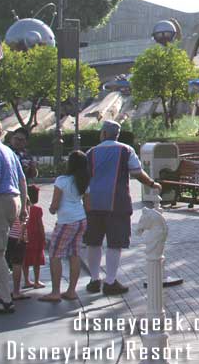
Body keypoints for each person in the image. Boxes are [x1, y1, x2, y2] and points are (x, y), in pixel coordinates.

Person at [85, 120, 160, 296]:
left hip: (93, 203)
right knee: (115, 242)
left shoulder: (91, 152)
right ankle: (110, 281)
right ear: (117, 134)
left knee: (93, 242)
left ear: (103, 133)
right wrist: (152, 183)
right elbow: (136, 172)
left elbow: (84, 176)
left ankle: (94, 279)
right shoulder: (126, 150)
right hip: (117, 203)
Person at [40, 150, 90, 303]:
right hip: (81, 219)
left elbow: (55, 204)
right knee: (74, 254)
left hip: (66, 221)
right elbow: (88, 205)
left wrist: (51, 209)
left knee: (55, 254)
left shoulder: (62, 180)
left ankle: (55, 292)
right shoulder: (85, 181)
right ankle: (71, 291)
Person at [0, 118, 28, 315]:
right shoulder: (8, 151)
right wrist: (23, 206)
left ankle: (6, 300)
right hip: (13, 200)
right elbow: (22, 180)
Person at [22, 185, 45, 288]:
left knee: (25, 260)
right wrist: (43, 237)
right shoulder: (37, 209)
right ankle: (36, 281)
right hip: (36, 238)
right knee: (37, 261)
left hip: (26, 237)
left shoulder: (23, 209)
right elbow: (40, 225)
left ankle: (26, 281)